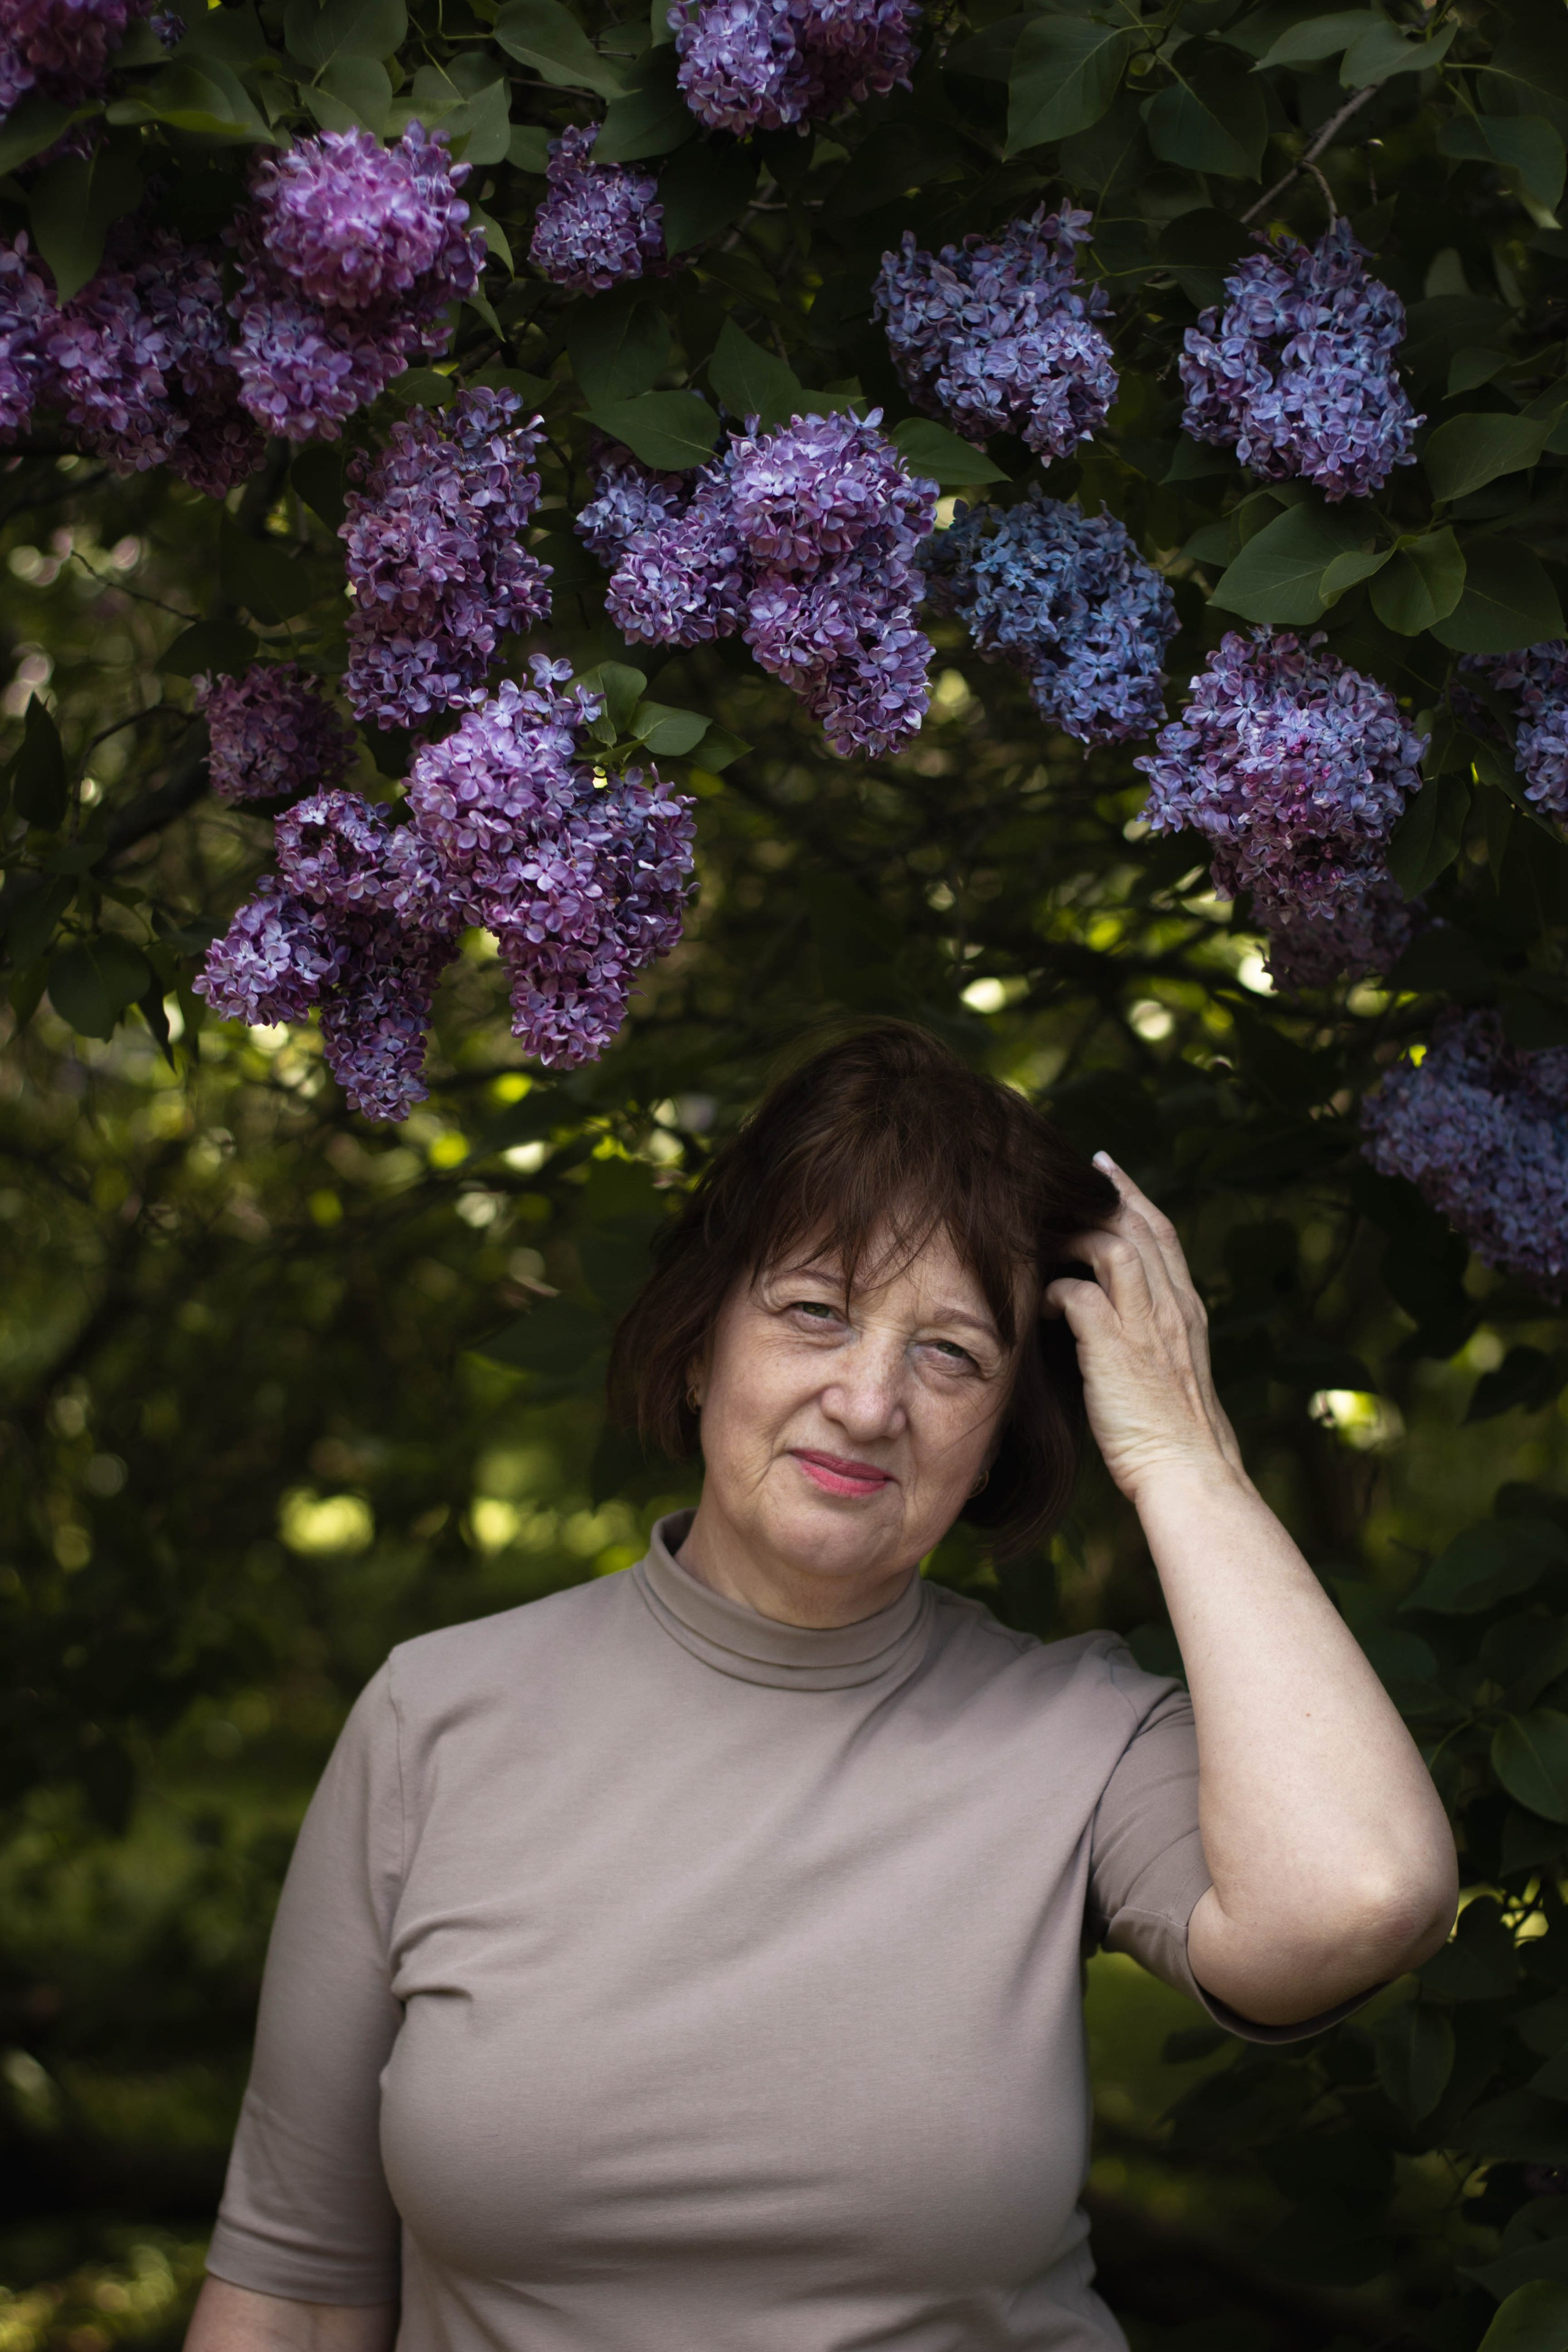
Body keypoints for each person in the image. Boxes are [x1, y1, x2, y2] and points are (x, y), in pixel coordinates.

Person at [186, 1021, 1457, 2352]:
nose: (866, 1401)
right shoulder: (430, 1723)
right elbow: (300, 2291)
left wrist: (1182, 1454)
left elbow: (1357, 1898)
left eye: (950, 1354)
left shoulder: (1081, 1738)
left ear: (999, 1433)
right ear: (697, 1345)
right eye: (814, 1311)